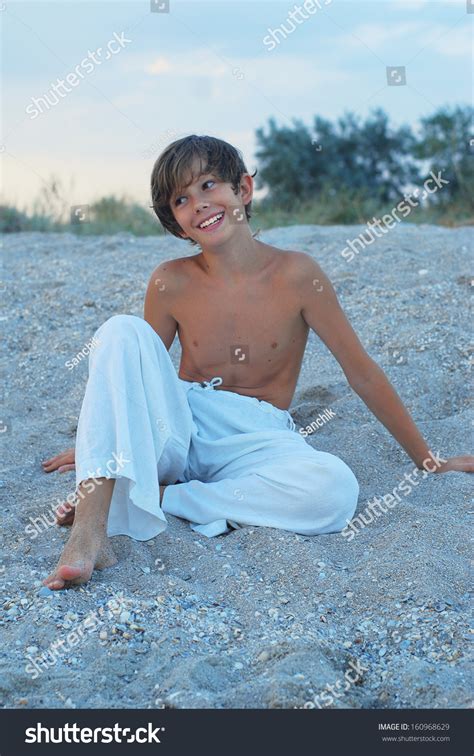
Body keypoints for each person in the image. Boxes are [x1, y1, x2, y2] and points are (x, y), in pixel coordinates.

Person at [42, 135, 473, 590]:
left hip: (257, 436)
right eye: (182, 199)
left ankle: (161, 497)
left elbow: (360, 371)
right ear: (177, 224)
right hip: (185, 421)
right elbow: (137, 370)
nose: (200, 204)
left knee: (334, 490)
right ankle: (91, 534)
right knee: (119, 330)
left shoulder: (297, 275)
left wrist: (427, 460)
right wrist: (104, 437)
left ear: (243, 189)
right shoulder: (170, 281)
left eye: (210, 185)